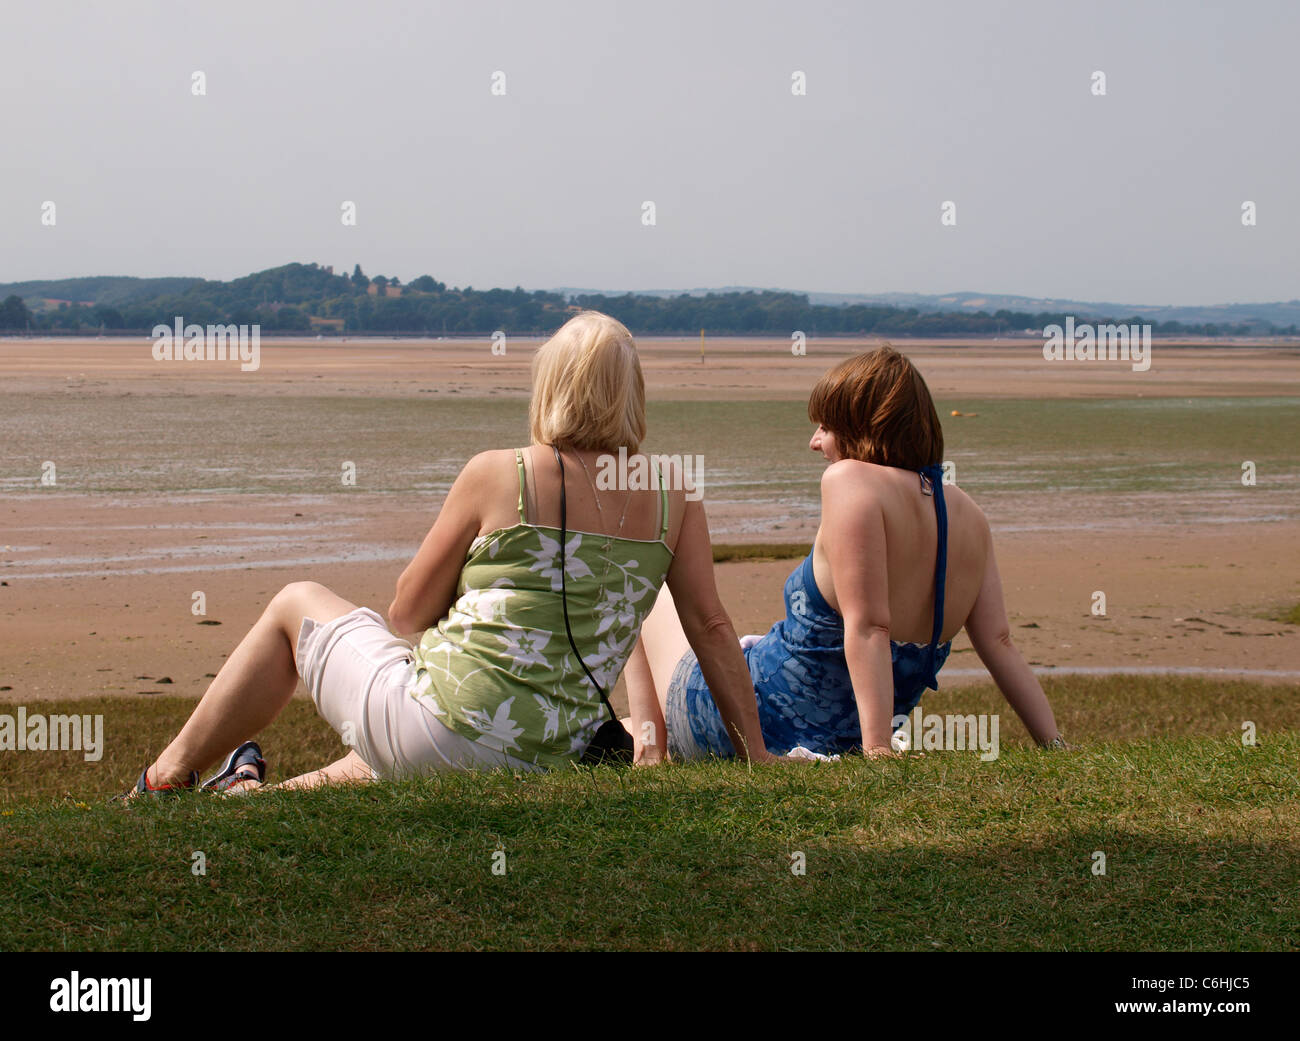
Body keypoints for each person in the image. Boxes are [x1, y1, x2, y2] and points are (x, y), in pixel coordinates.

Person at [121, 311, 778, 799]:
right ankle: (241, 793)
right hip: (546, 755)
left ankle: (167, 775)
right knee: (406, 734)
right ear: (633, 394)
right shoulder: (673, 496)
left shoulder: (499, 473)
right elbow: (713, 627)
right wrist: (759, 760)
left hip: (438, 731)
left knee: (297, 603)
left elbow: (406, 611)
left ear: (551, 387)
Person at [626, 345, 1065, 764]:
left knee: (644, 587)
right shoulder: (969, 513)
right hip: (826, 731)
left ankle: (649, 753)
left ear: (865, 429)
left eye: (826, 427)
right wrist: (1054, 744)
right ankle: (640, 742)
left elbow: (870, 626)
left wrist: (878, 752)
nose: (814, 442)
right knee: (630, 718)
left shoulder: (849, 480)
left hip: (743, 727)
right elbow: (1000, 643)